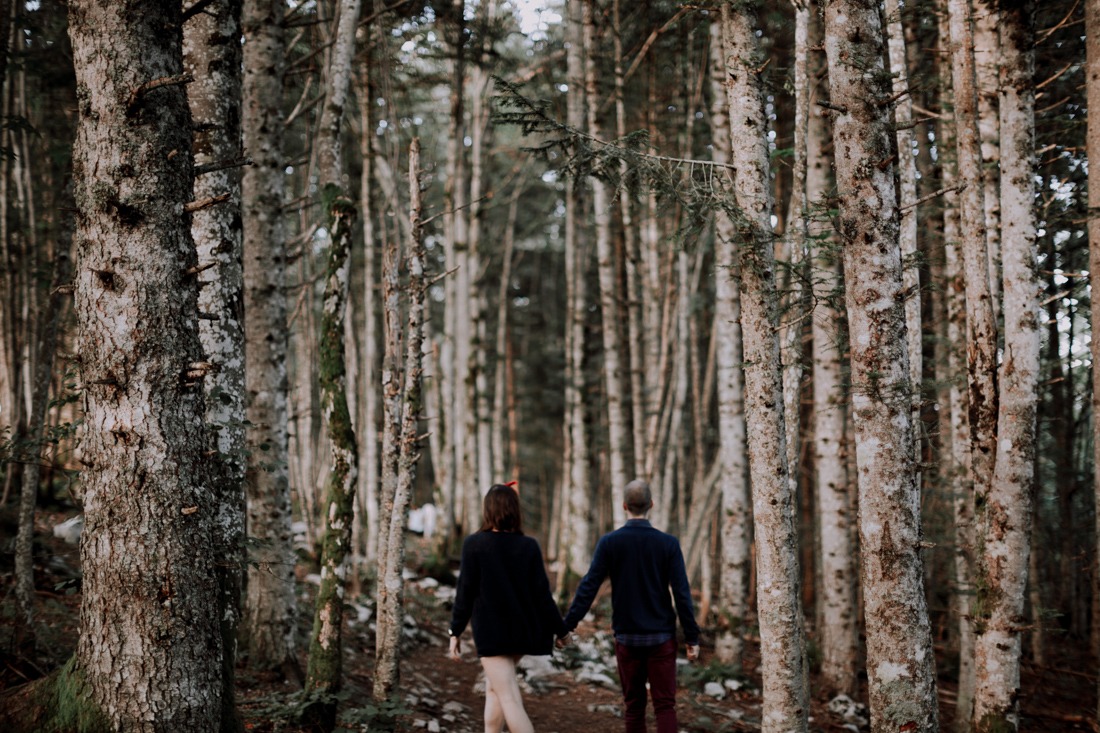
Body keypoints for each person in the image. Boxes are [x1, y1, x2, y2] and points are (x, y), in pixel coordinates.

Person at [558, 479, 701, 733]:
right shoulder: (668, 544)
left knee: (634, 706)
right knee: (665, 706)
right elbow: (682, 594)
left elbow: (588, 587)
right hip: (661, 639)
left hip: (627, 639)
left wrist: (566, 626)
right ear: (651, 505)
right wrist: (692, 637)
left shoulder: (610, 542)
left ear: (624, 506)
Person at [448, 484, 566, 733]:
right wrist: (560, 629)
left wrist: (454, 632)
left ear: (488, 510)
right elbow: (543, 596)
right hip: (523, 632)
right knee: (495, 690)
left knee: (509, 697)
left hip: (493, 634)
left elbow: (464, 593)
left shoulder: (475, 544)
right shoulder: (529, 546)